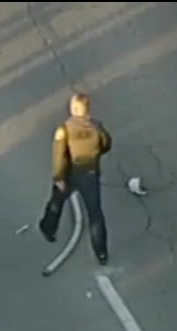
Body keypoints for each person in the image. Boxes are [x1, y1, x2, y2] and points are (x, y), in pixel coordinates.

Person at [38, 93, 113, 265]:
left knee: (56, 202)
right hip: (90, 174)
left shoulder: (64, 129)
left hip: (70, 173)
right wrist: (95, 156)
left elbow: (59, 155)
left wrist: (58, 177)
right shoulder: (96, 126)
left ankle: (48, 229)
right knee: (95, 214)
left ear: (74, 108)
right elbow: (107, 144)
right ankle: (101, 252)